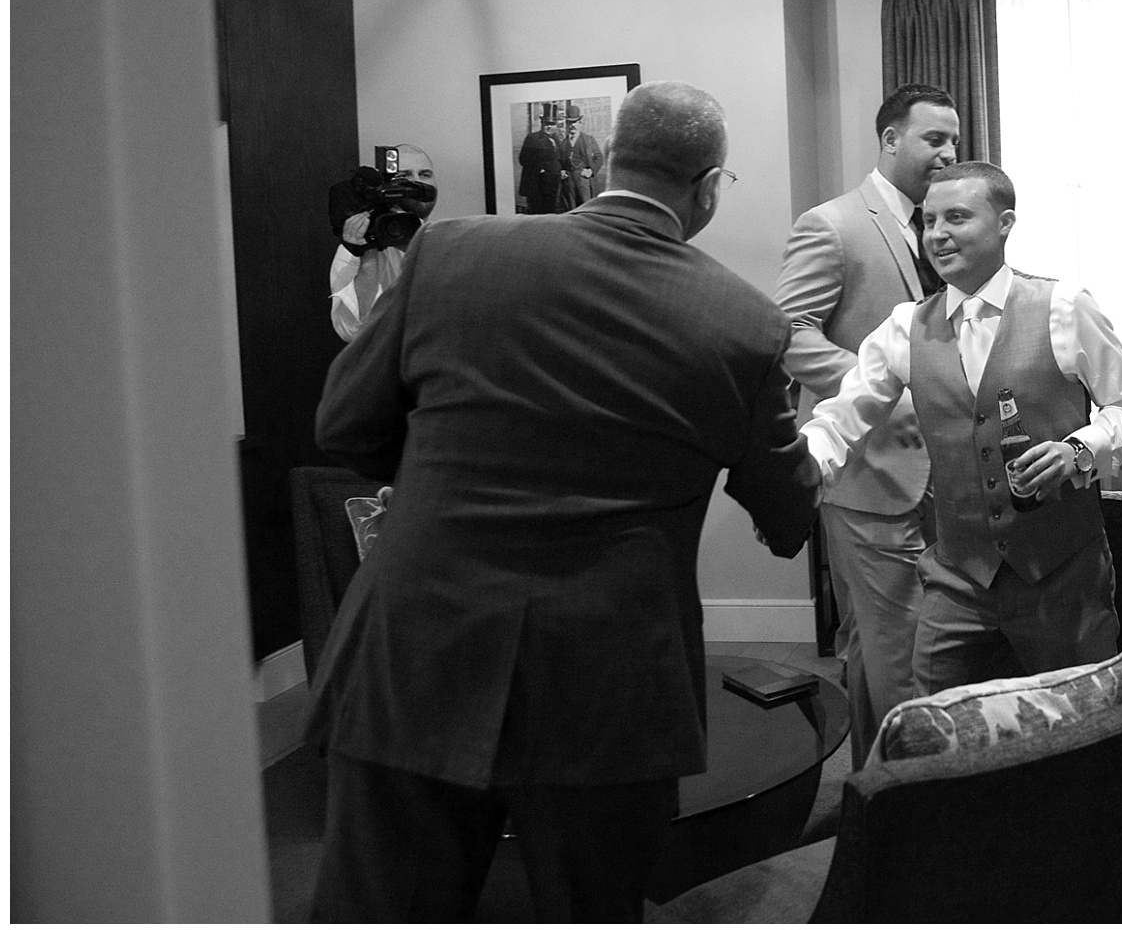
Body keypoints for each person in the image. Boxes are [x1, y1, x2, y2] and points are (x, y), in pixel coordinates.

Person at [307, 80, 820, 922]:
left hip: (418, 651)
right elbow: (789, 517)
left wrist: (447, 466)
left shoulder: (452, 254)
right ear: (706, 186)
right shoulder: (745, 324)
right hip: (609, 691)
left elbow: (342, 427)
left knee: (380, 909)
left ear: (607, 164)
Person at [801, 161, 1122, 696]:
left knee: (1083, 720)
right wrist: (798, 464)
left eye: (957, 218)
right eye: (929, 220)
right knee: (937, 719)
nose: (937, 234)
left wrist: (1082, 449)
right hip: (958, 579)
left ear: (1005, 223)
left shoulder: (1063, 307)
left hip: (1062, 573)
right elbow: (842, 416)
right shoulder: (904, 327)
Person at [774, 82, 960, 767]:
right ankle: (910, 801)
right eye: (934, 138)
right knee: (899, 645)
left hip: (939, 470)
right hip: (867, 470)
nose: (949, 153)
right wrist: (882, 388)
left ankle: (872, 789)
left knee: (880, 641)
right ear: (890, 140)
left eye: (955, 141)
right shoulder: (833, 224)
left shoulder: (942, 224)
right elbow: (787, 332)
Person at [329, 143, 436, 341]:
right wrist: (369, 256)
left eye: (425, 174)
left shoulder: (447, 239)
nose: (416, 183)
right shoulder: (354, 250)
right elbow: (351, 331)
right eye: (404, 176)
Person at [517, 106, 566, 214]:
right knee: (538, 214)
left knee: (550, 213)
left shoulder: (557, 139)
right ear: (542, 122)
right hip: (538, 186)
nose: (549, 127)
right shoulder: (533, 138)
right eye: (546, 123)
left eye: (552, 124)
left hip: (553, 185)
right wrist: (540, 169)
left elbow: (560, 157)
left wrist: (561, 169)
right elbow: (523, 160)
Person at [564, 102, 606, 205]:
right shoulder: (564, 142)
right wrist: (562, 170)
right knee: (571, 209)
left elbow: (599, 157)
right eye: (570, 122)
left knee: (586, 206)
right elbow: (561, 160)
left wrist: (591, 171)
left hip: (584, 180)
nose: (572, 125)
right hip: (569, 181)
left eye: (575, 122)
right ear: (567, 124)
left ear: (580, 123)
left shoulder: (588, 139)